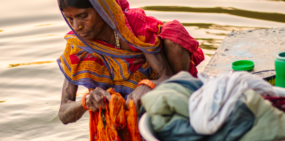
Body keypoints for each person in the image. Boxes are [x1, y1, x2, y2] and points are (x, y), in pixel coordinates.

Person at [57, 0, 204, 124]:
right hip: (114, 122)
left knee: (173, 37)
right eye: (70, 19)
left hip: (153, 105)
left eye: (83, 16)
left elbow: (168, 77)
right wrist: (86, 101)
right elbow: (64, 114)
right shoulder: (77, 47)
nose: (77, 26)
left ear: (102, 9)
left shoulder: (132, 26)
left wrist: (148, 85)